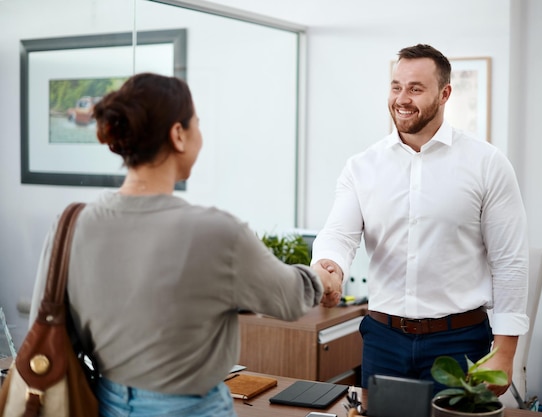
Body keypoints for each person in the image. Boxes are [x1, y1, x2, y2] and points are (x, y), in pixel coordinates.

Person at [29, 72, 342, 417]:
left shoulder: (70, 223)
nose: (200, 135)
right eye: (197, 124)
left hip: (103, 401)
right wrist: (321, 277)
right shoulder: (215, 231)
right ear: (178, 134)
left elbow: (43, 326)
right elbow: (288, 298)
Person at [312, 44, 529, 396]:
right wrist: (329, 265)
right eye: (396, 86)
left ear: (445, 94)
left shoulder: (487, 163)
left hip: (460, 341)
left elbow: (510, 262)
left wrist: (505, 351)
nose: (402, 98)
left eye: (415, 88)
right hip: (383, 339)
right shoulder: (361, 167)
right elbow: (339, 234)